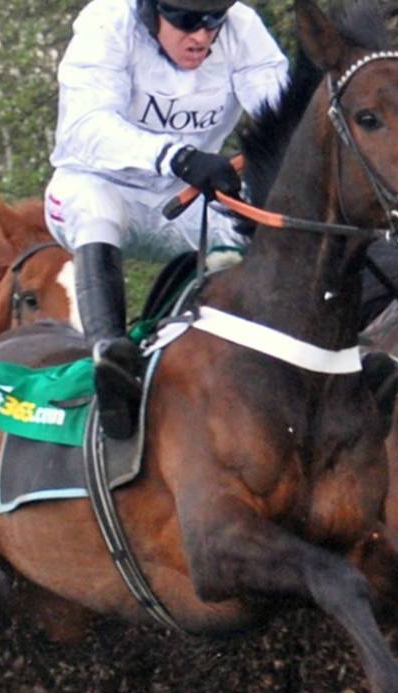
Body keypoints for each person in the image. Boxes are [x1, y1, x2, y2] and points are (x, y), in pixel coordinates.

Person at [45, 0, 288, 439]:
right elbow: (87, 128)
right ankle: (109, 357)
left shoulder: (242, 27)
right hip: (95, 184)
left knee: (258, 236)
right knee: (97, 207)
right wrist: (178, 157)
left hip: (182, 199)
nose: (202, 36)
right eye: (187, 21)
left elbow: (283, 114)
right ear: (147, 11)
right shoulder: (107, 22)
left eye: (213, 21)